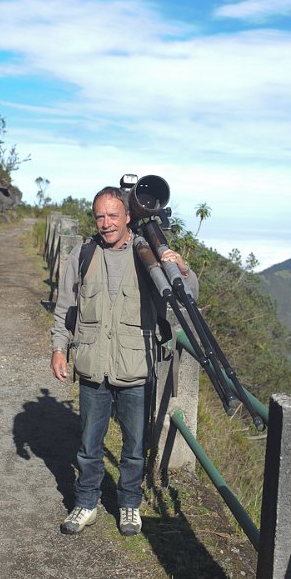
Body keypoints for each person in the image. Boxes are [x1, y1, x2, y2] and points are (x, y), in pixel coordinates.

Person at [50, 186, 198, 536]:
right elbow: (64, 307)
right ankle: (85, 502)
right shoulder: (84, 254)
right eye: (100, 216)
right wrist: (59, 348)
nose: (106, 223)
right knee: (88, 444)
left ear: (128, 216)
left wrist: (182, 266)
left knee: (133, 446)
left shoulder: (147, 254)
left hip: (135, 366)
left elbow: (189, 294)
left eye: (113, 215)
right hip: (92, 365)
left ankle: (129, 504)